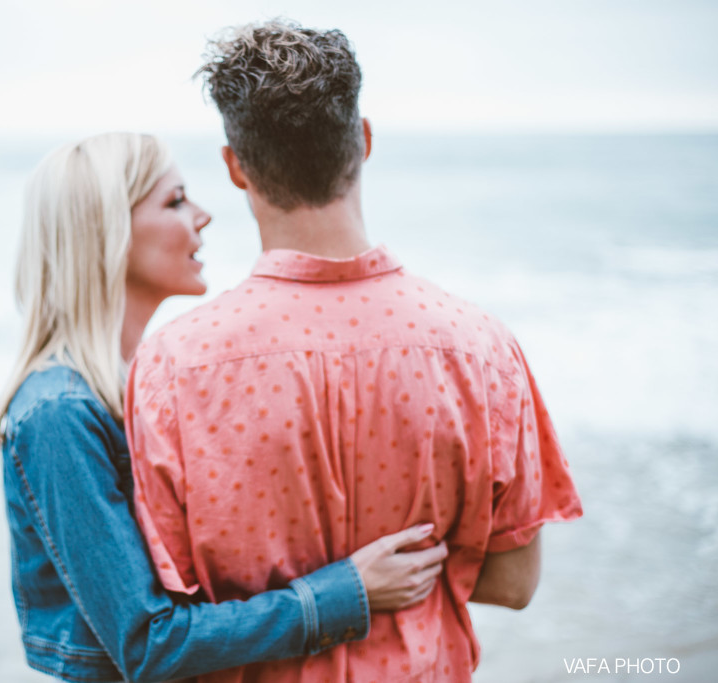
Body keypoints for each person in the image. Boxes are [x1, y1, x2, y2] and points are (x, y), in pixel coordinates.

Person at [125, 21, 583, 682]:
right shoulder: (480, 348)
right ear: (363, 141)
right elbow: (513, 582)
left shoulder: (172, 366)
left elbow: (170, 605)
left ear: (235, 167)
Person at [0, 132, 448, 683]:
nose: (203, 216)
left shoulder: (138, 387)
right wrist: (346, 592)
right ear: (108, 231)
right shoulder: (59, 415)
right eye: (176, 201)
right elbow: (147, 643)